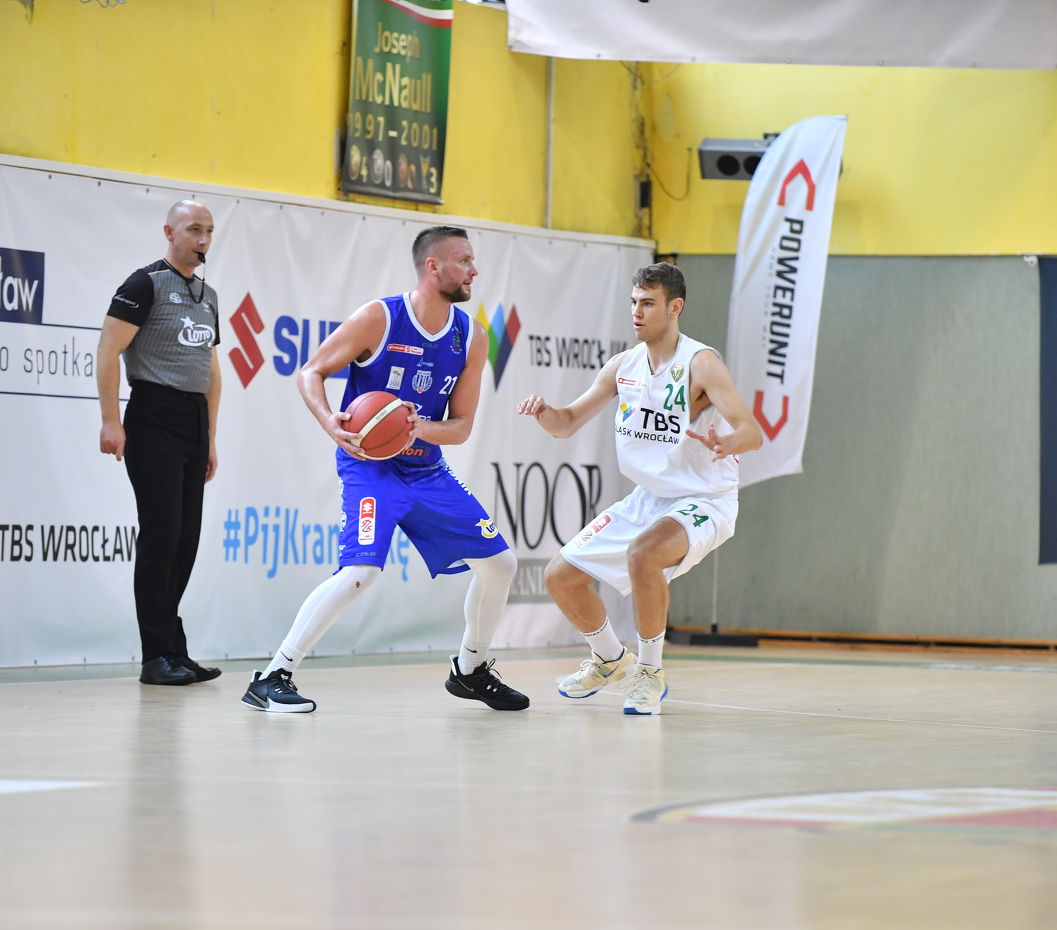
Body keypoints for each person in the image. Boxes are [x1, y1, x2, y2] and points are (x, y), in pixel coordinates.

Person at [242, 225, 524, 714]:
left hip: (427, 470)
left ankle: (470, 670)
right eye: (464, 261)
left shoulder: (471, 336)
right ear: (433, 266)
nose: (474, 270)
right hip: (370, 468)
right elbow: (311, 371)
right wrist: (330, 422)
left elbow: (460, 427)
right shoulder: (380, 317)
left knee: (501, 565)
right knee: (360, 572)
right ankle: (272, 677)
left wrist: (417, 429)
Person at [517, 262, 762, 715]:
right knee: (559, 577)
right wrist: (544, 412)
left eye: (648, 303)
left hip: (704, 499)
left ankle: (650, 672)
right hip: (649, 499)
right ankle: (610, 658)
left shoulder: (701, 363)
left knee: (643, 555)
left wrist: (726, 443)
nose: (636, 312)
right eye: (633, 302)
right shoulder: (623, 366)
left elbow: (752, 432)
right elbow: (566, 423)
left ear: (675, 307)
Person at [95, 200, 223, 686]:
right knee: (161, 536)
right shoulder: (144, 284)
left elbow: (212, 370)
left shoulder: (208, 295)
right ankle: (155, 656)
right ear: (170, 232)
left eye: (209, 231)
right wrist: (111, 421)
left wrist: (210, 436)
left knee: (185, 541)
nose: (203, 239)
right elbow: (108, 349)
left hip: (193, 421)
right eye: (194, 230)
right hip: (153, 415)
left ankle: (174, 648)